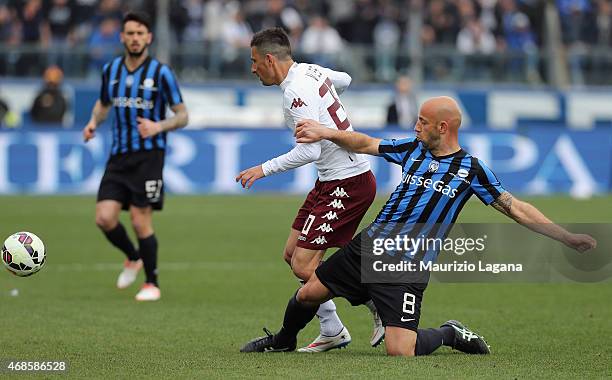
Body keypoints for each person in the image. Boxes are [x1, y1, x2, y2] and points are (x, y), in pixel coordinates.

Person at [240, 96, 597, 356]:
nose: (415, 127)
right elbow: (365, 143)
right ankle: (284, 339)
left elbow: (515, 208)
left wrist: (566, 237)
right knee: (306, 295)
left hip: (406, 267)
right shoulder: (413, 147)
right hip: (371, 247)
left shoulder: (471, 169)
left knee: (401, 351)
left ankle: (449, 333)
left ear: (443, 127)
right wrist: (324, 131)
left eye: (422, 122)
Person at [235, 27, 382, 352]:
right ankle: (331, 328)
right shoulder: (310, 71)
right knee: (292, 255)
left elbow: (309, 151)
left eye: (255, 61)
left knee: (304, 264)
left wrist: (263, 169)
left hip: (348, 182)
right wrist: (327, 95)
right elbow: (344, 78)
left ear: (270, 59)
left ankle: (376, 303)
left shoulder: (294, 93)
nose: (253, 68)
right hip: (330, 180)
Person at [82, 12, 189, 302]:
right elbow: (104, 104)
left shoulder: (161, 73)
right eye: (130, 33)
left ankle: (151, 283)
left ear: (149, 37)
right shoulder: (112, 69)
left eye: (140, 33)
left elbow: (182, 116)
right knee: (104, 218)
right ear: (122, 37)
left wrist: (158, 125)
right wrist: (93, 123)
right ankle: (132, 257)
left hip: (149, 157)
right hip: (118, 156)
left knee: (141, 221)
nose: (135, 38)